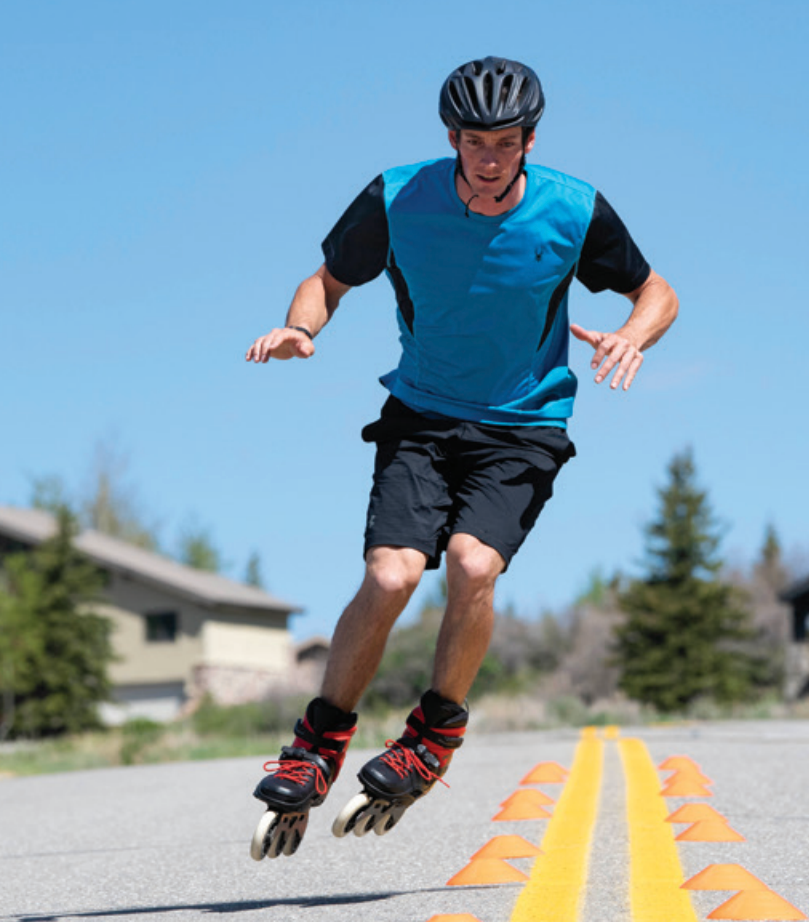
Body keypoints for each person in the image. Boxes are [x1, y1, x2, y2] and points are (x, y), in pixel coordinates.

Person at [243, 56, 678, 859]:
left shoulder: (573, 209)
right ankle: (316, 746)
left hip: (523, 425)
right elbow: (328, 281)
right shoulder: (398, 197)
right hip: (422, 417)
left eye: (504, 142)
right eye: (474, 140)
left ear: (528, 141)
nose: (487, 157)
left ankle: (433, 735)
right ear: (451, 138)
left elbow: (658, 292)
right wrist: (303, 328)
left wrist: (631, 335)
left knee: (475, 566)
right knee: (391, 575)